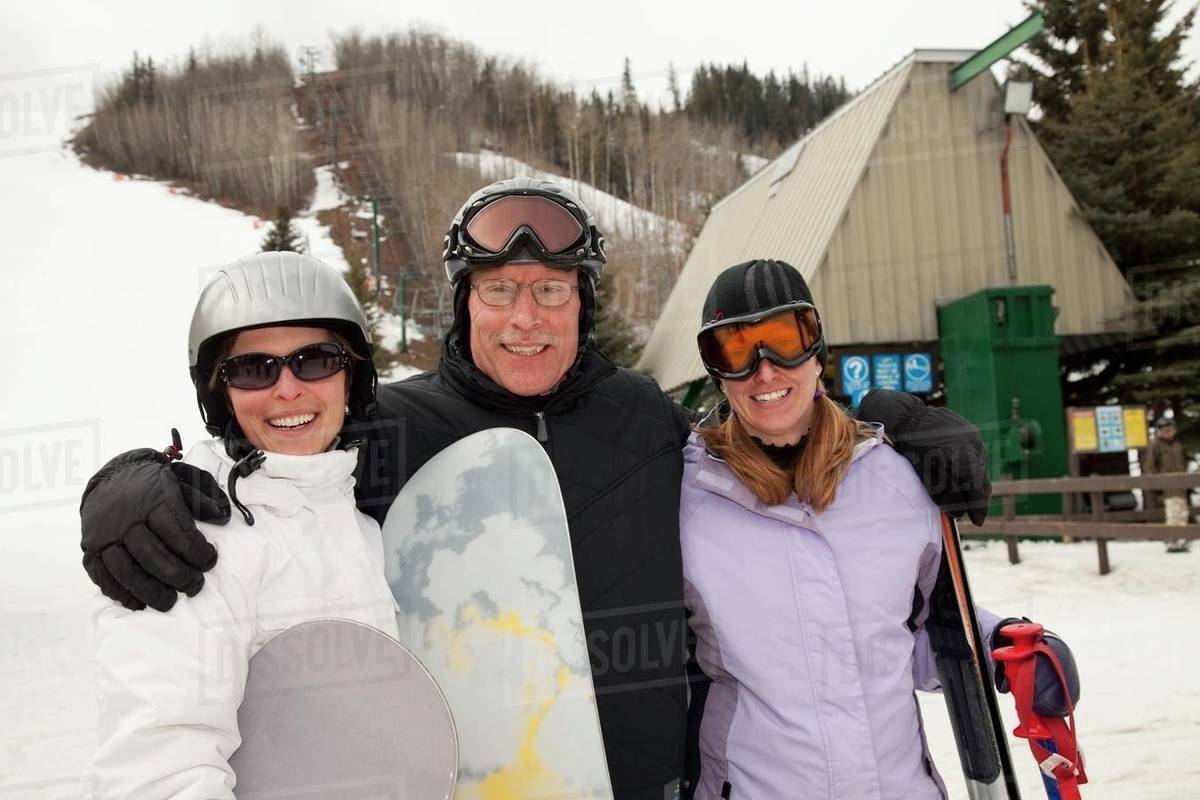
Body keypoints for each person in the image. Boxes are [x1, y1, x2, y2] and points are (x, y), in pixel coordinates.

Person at [78, 179, 992, 800]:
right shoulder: (389, 426)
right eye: (500, 290)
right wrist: (133, 483)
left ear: (583, 304)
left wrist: (893, 426)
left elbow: (766, 458)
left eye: (552, 290)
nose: (526, 318)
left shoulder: (643, 415)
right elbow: (277, 453)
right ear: (462, 303)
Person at [680, 259, 1079, 799]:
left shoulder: (893, 475)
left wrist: (1001, 645)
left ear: (817, 349)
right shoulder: (688, 497)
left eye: (784, 339)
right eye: (736, 350)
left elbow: (917, 630)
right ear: (715, 370)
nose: (765, 370)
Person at [86, 253, 399, 798]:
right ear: (219, 393)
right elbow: (158, 768)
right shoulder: (189, 532)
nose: (287, 389)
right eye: (254, 368)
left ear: (353, 377)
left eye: (317, 360)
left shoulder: (363, 527)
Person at [1144, 418, 1191, 553]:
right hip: (1167, 486)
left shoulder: (1177, 445)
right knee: (1172, 513)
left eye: (1170, 430)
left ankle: (1181, 539)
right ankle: (1171, 540)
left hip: (1181, 485)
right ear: (1160, 432)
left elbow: (1183, 462)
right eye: (1164, 430)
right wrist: (1156, 485)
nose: (1167, 433)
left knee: (1182, 512)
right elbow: (1150, 466)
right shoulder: (1156, 446)